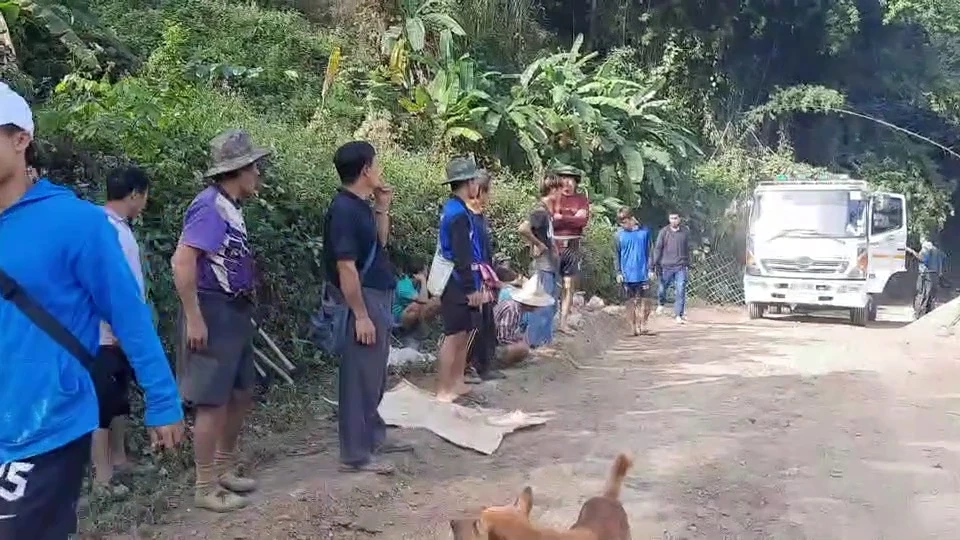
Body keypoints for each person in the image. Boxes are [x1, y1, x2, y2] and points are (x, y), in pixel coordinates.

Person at [0, 83, 184, 539]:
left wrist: (162, 400)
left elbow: (129, 316)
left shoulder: (78, 224)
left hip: (45, 423)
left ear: (21, 139)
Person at [171, 129, 269, 511]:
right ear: (239, 170)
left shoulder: (230, 207)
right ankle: (205, 484)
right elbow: (182, 261)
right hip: (212, 309)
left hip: (233, 311)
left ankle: (225, 467)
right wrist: (195, 317)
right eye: (255, 167)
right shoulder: (209, 207)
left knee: (241, 392)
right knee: (211, 401)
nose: (259, 175)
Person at [322, 140, 411, 475]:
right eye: (376, 164)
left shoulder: (360, 205)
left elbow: (379, 244)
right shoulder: (343, 210)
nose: (380, 170)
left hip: (376, 296)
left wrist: (382, 207)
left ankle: (372, 436)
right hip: (362, 300)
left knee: (373, 375)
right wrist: (360, 315)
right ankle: (356, 453)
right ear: (365, 170)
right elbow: (346, 267)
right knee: (359, 377)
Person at [91, 166, 152, 497]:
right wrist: (116, 326)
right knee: (101, 405)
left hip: (120, 333)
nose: (144, 202)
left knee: (119, 401)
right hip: (103, 335)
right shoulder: (104, 231)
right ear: (134, 194)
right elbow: (101, 284)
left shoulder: (118, 228)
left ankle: (120, 459)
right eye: (144, 195)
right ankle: (102, 478)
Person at [435, 157, 486, 403]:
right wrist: (469, 288)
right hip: (456, 282)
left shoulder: (458, 209)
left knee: (464, 332)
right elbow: (461, 254)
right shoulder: (457, 214)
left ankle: (457, 380)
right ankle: (445, 387)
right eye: (475, 180)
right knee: (454, 334)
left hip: (462, 280)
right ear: (468, 183)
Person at [519, 175, 563, 351]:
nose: (561, 194)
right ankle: (536, 344)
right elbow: (523, 228)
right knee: (542, 304)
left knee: (550, 304)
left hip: (549, 264)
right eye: (559, 190)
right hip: (543, 265)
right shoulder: (540, 212)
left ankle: (544, 341)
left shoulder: (547, 213)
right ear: (552, 191)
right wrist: (539, 244)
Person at [551, 165, 589, 334]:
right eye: (564, 179)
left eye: (571, 179)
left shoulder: (581, 199)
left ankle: (563, 322)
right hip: (553, 246)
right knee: (552, 285)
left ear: (576, 182)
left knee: (568, 286)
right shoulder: (553, 198)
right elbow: (552, 221)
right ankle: (549, 323)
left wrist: (562, 217)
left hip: (572, 246)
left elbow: (582, 222)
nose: (567, 183)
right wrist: (572, 218)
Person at [493, 271, 553, 368]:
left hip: (492, 343)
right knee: (523, 348)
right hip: (491, 346)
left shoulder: (517, 309)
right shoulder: (513, 309)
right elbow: (502, 338)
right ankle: (496, 362)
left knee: (523, 340)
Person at [614, 207, 654, 336]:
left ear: (632, 219)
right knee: (630, 302)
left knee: (645, 301)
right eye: (621, 223)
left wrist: (651, 269)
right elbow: (617, 255)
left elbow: (650, 252)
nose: (623, 225)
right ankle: (633, 327)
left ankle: (643, 324)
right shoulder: (619, 236)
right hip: (627, 275)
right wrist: (618, 272)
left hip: (642, 273)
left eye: (625, 221)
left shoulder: (644, 233)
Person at [652, 211, 691, 323]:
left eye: (675, 218)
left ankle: (679, 314)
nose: (673, 220)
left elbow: (687, 249)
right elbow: (658, 248)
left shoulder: (685, 232)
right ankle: (661, 303)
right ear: (669, 219)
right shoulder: (664, 232)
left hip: (681, 266)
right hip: (666, 266)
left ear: (680, 219)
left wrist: (688, 263)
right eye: (671, 218)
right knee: (663, 288)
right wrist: (654, 264)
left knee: (681, 289)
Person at [393, 257, 440, 333]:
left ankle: (425, 329)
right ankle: (408, 333)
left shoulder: (418, 284)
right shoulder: (404, 285)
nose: (427, 271)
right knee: (416, 306)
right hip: (397, 320)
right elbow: (423, 300)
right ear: (420, 272)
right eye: (426, 269)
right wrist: (423, 280)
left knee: (436, 301)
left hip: (407, 316)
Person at [907, 238, 946, 318]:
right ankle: (929, 313)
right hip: (935, 274)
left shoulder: (926, 249)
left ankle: (919, 314)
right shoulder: (937, 250)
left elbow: (922, 259)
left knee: (921, 293)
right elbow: (943, 257)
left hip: (926, 274)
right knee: (931, 294)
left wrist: (912, 252)